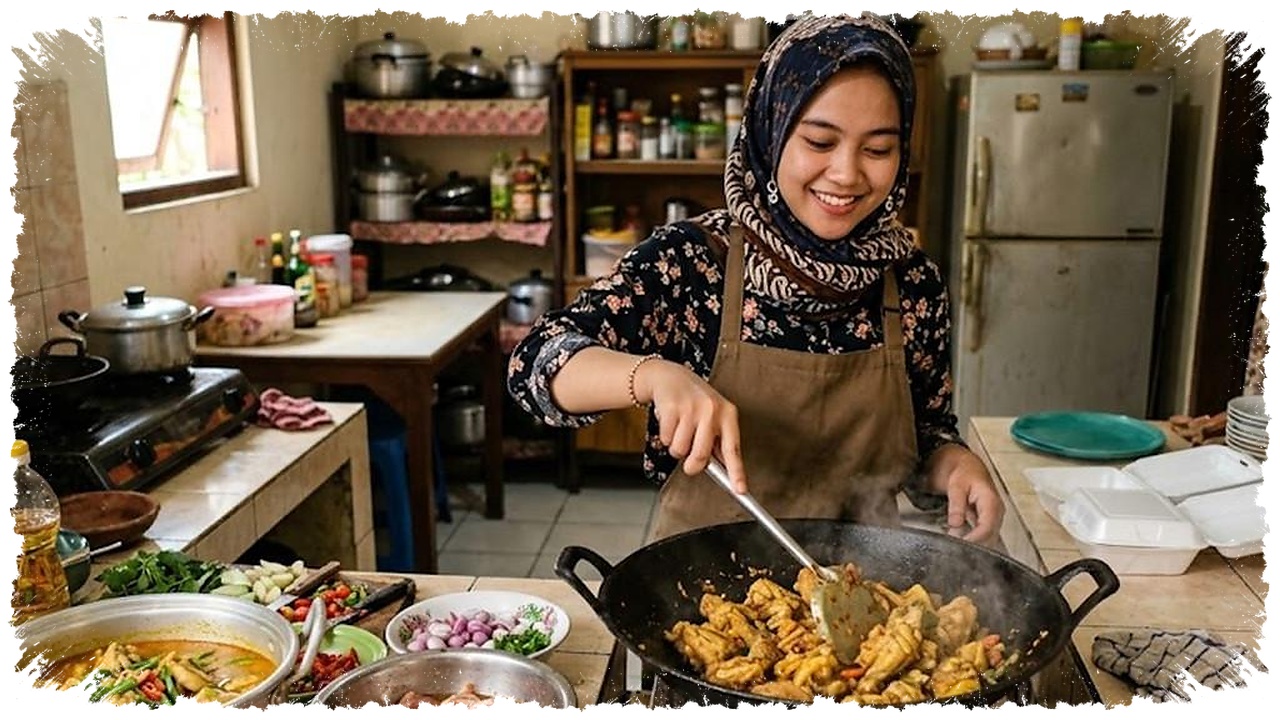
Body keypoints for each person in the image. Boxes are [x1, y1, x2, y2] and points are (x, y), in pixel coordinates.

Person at [507, 13, 1004, 545]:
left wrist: (954, 468)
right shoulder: (694, 263)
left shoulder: (912, 282)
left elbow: (928, 436)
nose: (847, 173)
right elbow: (535, 362)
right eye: (818, 141)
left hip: (863, 589)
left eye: (878, 149)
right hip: (698, 588)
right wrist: (655, 377)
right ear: (771, 131)